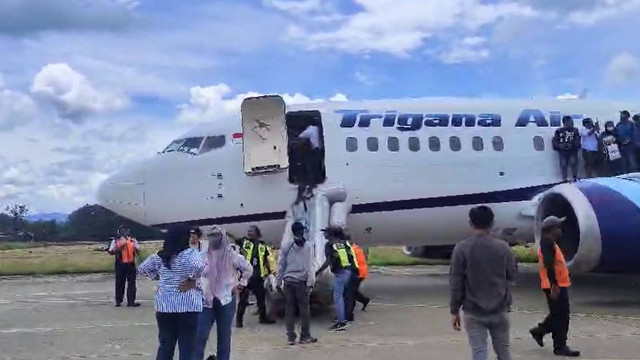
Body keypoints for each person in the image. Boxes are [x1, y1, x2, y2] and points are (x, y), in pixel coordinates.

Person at [449, 205, 517, 360]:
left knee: (479, 352)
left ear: (471, 224)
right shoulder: (503, 247)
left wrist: (454, 310)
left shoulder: (462, 248)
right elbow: (512, 274)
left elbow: (456, 282)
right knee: (504, 351)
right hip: (499, 308)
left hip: (473, 310)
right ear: (492, 224)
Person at [138, 223, 205, 360]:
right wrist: (192, 279)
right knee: (187, 347)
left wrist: (157, 276)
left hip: (164, 307)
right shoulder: (189, 253)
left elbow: (142, 268)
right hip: (187, 306)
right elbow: (199, 266)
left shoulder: (161, 256)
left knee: (166, 345)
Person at [193, 226, 253, 360]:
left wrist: (241, 284)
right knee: (200, 336)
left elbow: (248, 269)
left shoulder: (232, 256)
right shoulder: (202, 256)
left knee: (224, 337)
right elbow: (192, 273)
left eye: (216, 236)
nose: (214, 239)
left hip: (226, 300)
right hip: (206, 301)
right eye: (211, 236)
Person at [529, 216, 581, 357]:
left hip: (556, 284)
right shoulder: (547, 245)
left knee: (557, 315)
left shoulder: (550, 243)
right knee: (562, 317)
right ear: (552, 230)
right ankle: (559, 346)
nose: (560, 230)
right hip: (554, 285)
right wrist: (554, 285)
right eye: (558, 227)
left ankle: (540, 332)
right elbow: (549, 265)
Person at [277, 221, 318, 345]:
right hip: (301, 281)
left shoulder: (286, 246)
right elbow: (310, 266)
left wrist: (278, 282)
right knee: (304, 310)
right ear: (302, 231)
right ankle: (305, 336)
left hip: (288, 281)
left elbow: (281, 265)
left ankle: (290, 337)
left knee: (289, 309)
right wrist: (311, 283)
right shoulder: (308, 246)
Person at [316, 227, 358, 331]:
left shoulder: (330, 245)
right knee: (344, 295)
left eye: (325, 232)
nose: (324, 234)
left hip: (341, 272)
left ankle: (341, 322)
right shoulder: (344, 243)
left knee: (337, 297)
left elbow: (328, 261)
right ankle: (345, 317)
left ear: (330, 234)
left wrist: (318, 272)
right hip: (350, 271)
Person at [236, 225, 276, 327]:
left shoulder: (263, 246)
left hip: (258, 276)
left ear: (257, 233)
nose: (249, 233)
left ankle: (263, 318)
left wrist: (271, 272)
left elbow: (268, 259)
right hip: (246, 276)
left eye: (251, 231)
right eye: (248, 231)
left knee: (261, 299)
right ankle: (239, 321)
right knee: (243, 300)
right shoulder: (244, 243)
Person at [108, 226, 140, 307]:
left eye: (127, 229)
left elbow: (138, 251)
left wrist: (136, 250)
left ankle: (131, 301)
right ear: (120, 231)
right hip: (120, 263)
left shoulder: (133, 239)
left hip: (130, 263)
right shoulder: (116, 240)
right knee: (119, 282)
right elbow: (111, 252)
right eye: (123, 230)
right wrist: (120, 247)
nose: (125, 231)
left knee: (132, 283)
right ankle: (118, 301)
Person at [552, 116, 581, 182]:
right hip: (562, 151)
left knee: (574, 164)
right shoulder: (558, 131)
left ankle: (575, 178)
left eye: (572, 122)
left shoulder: (575, 130)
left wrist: (573, 145)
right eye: (570, 122)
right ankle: (564, 178)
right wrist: (560, 146)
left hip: (573, 150)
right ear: (564, 123)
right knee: (563, 164)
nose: (571, 124)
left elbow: (577, 139)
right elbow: (555, 141)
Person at [350, 242, 371, 312]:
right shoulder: (356, 248)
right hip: (361, 272)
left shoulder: (351, 250)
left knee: (352, 291)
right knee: (353, 290)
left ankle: (364, 300)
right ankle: (364, 300)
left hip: (358, 272)